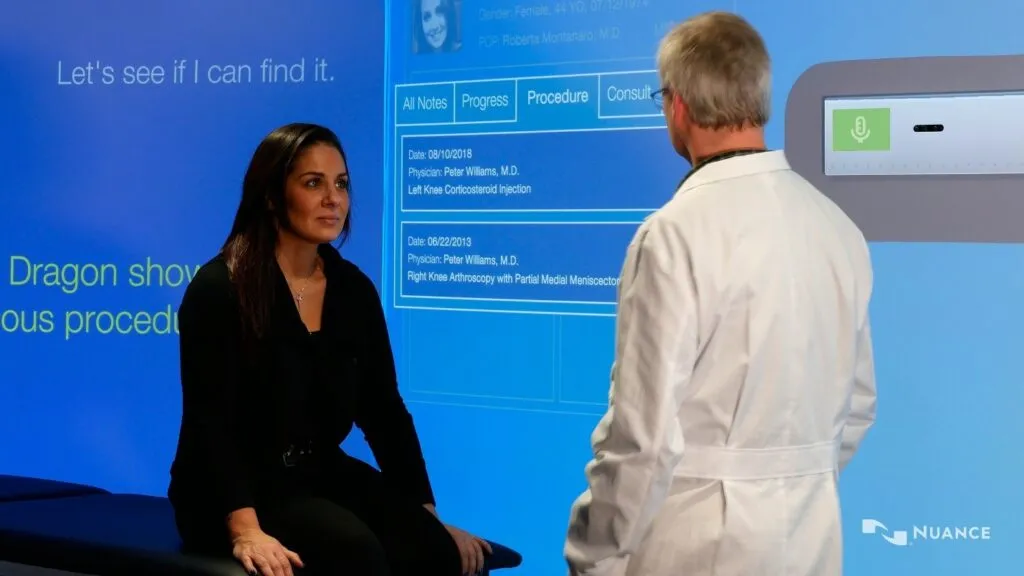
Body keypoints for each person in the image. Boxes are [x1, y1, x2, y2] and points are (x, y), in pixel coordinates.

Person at [563, 11, 877, 576]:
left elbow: (643, 438)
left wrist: (595, 553)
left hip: (693, 541)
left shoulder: (674, 233)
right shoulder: (838, 227)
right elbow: (858, 406)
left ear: (677, 105)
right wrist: (790, 479)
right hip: (812, 537)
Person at [168, 122, 491, 576]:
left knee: (432, 550)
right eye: (313, 183)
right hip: (232, 492)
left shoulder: (352, 289)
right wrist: (246, 530)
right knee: (355, 552)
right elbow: (210, 424)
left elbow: (384, 412)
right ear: (270, 194)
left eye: (340, 184)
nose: (333, 198)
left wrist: (427, 517)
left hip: (317, 475)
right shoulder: (221, 288)